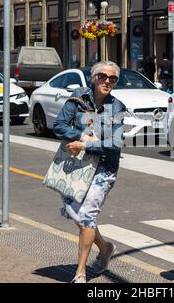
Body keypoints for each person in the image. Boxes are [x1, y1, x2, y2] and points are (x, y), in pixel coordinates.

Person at [53, 61, 126, 283]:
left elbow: (114, 143)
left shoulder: (117, 107)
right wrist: (83, 136)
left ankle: (80, 272)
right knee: (76, 214)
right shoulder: (78, 98)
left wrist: (86, 144)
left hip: (104, 169)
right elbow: (59, 125)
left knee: (86, 216)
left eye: (112, 78)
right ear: (94, 77)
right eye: (103, 76)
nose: (107, 81)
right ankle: (105, 248)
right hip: (76, 167)